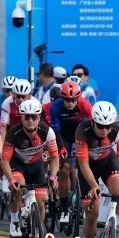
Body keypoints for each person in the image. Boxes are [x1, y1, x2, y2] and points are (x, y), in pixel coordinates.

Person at [75, 101, 119, 238]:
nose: (104, 130)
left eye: (108, 126)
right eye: (100, 126)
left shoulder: (118, 132)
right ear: (93, 122)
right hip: (88, 166)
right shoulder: (82, 131)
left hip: (107, 162)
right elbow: (84, 164)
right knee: (92, 214)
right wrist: (94, 186)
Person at [1, 98, 58, 238]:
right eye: (27, 117)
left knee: (41, 203)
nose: (30, 120)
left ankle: (38, 231)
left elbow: (54, 157)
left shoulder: (47, 132)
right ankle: (14, 220)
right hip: (18, 164)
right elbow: (5, 159)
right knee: (18, 187)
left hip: (36, 165)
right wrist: (10, 179)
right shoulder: (13, 133)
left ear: (39, 118)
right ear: (22, 118)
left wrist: (53, 176)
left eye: (34, 117)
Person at [43, 79, 92, 226]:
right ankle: (64, 208)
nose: (70, 103)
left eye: (73, 100)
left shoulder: (84, 104)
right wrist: (62, 148)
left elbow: (92, 127)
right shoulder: (55, 107)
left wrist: (85, 146)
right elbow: (56, 132)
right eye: (67, 100)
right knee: (64, 169)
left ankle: (78, 199)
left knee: (79, 167)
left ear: (78, 97)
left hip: (80, 133)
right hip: (63, 136)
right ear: (62, 98)